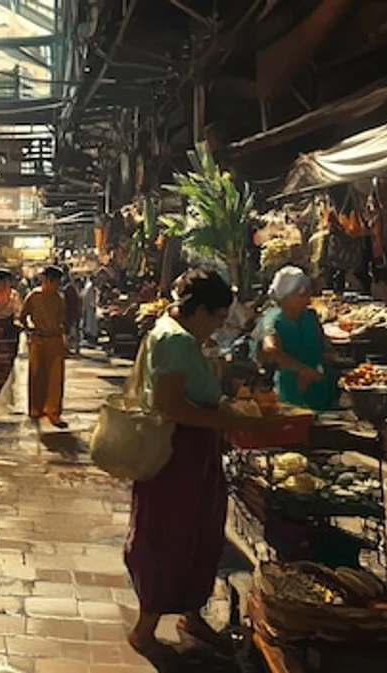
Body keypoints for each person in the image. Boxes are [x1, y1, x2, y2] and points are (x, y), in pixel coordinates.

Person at [124, 268, 276, 663]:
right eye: (216, 318)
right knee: (170, 539)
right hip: (178, 459)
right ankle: (144, 630)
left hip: (193, 457)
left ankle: (191, 614)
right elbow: (171, 405)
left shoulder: (177, 331)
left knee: (199, 535)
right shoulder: (175, 340)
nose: (218, 327)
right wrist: (233, 420)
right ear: (199, 311)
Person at [257, 266, 336, 410]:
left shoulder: (310, 316)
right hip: (292, 389)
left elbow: (323, 343)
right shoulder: (273, 319)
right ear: (288, 297)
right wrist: (302, 370)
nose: (308, 298)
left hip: (319, 384)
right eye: (303, 294)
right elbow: (270, 349)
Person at [19, 266, 67, 427]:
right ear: (47, 281)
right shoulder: (34, 296)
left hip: (55, 340)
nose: (57, 286)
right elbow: (22, 316)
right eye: (56, 282)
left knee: (55, 378)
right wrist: (30, 330)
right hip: (39, 340)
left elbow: (62, 320)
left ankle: (53, 410)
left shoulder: (59, 298)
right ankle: (36, 408)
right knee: (36, 375)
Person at [63, 272, 81, 355]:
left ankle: (72, 348)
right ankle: (68, 348)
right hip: (71, 314)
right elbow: (71, 303)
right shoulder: (70, 289)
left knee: (72, 332)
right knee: (70, 332)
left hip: (72, 314)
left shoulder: (71, 289)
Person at [82, 274, 99, 344]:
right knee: (90, 325)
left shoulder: (94, 289)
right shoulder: (89, 289)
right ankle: (91, 338)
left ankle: (93, 338)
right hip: (90, 309)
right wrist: (93, 305)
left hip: (93, 309)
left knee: (93, 325)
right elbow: (88, 300)